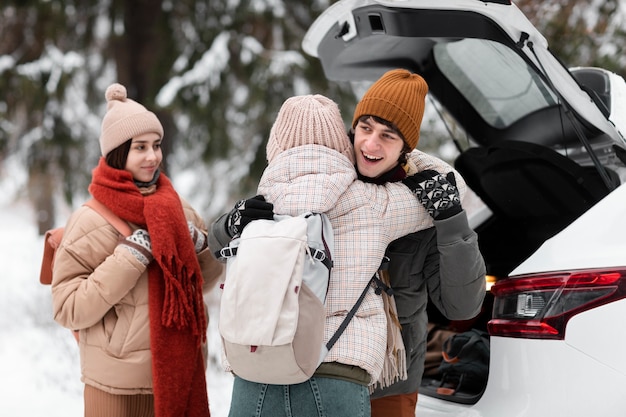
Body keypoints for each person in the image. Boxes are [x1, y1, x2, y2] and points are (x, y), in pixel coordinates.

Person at [210, 93, 460, 416]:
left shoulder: (258, 208)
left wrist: (232, 221)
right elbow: (455, 187)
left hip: (256, 371)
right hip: (338, 374)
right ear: (345, 141)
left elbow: (214, 249)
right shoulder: (373, 203)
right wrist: (399, 147)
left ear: (275, 146)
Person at [51, 83, 224, 417]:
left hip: (178, 376)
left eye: (156, 146)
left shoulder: (178, 209)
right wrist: (130, 256)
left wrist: (200, 248)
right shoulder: (90, 220)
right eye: (140, 147)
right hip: (115, 388)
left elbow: (202, 282)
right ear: (118, 154)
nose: (152, 156)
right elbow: (67, 308)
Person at [351, 69, 486, 416]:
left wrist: (451, 220)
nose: (371, 144)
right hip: (325, 370)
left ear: (405, 149)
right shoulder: (325, 188)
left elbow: (462, 307)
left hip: (392, 382)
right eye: (365, 129)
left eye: (387, 135)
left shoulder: (423, 213)